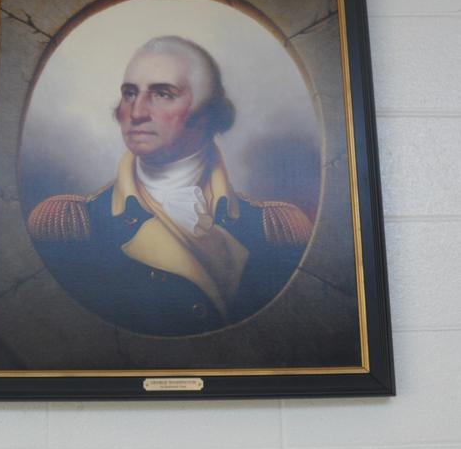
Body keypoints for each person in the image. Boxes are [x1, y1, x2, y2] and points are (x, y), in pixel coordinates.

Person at [27, 36, 312, 336]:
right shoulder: (67, 225)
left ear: (208, 112)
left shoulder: (278, 229)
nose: (136, 113)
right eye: (129, 93)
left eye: (162, 94)